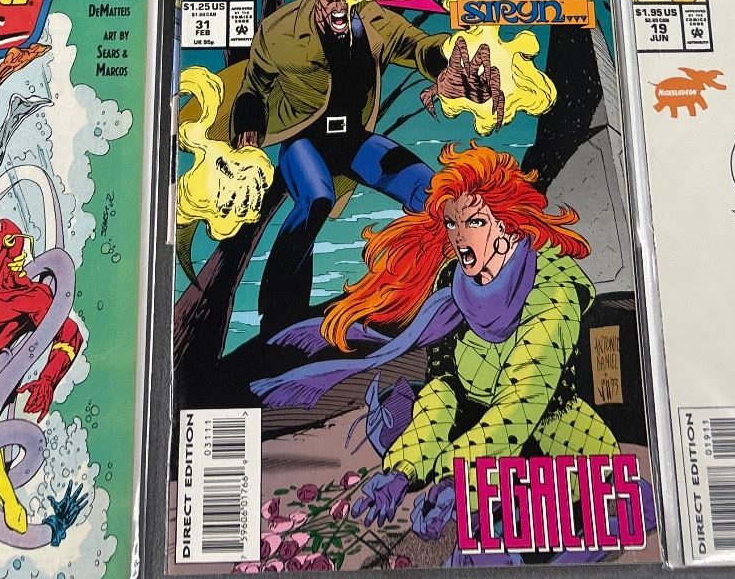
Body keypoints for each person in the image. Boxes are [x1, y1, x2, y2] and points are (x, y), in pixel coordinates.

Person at [256, 144, 619, 546]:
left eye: (475, 221)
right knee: (398, 420)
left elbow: (520, 406)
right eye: (452, 223)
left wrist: (455, 479)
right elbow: (443, 389)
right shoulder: (454, 285)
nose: (460, 236)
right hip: (475, 431)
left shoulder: (553, 291)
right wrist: (402, 470)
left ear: (507, 226)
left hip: (555, 441)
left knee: (536, 535)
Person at [231, 0, 499, 339]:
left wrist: (446, 69)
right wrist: (249, 125)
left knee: (432, 191)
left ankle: (440, 289)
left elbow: (415, 45)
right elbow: (254, 85)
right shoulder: (281, 31)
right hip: (303, 141)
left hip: (353, 142)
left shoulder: (372, 20)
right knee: (316, 198)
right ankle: (278, 315)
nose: (339, 7)